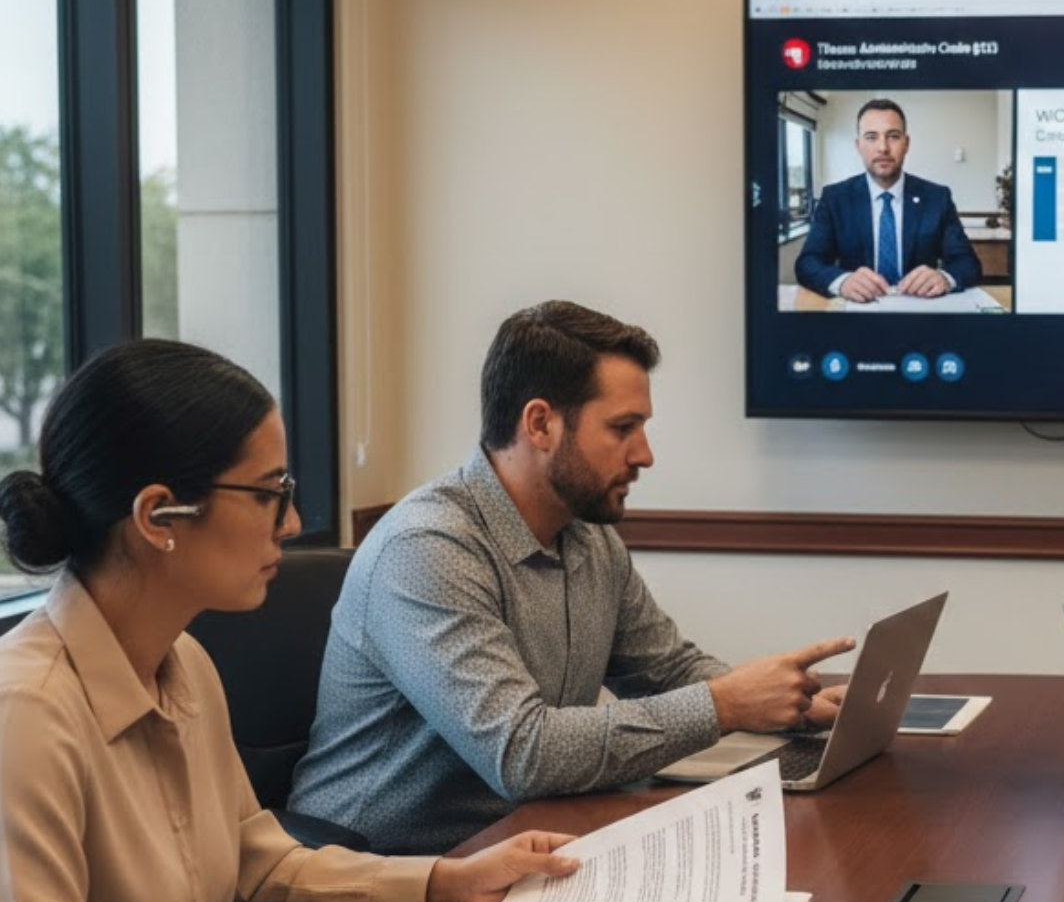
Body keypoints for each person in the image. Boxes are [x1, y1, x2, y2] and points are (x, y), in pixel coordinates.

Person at [0, 340, 581, 902]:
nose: (292, 520)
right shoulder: (23, 712)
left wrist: (442, 879)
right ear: (159, 517)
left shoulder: (184, 663)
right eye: (268, 491)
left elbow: (255, 869)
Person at [289, 302, 854, 853]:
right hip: (381, 878)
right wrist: (726, 705)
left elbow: (667, 668)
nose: (645, 455)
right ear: (540, 424)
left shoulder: (587, 535)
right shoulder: (428, 548)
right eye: (623, 428)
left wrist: (786, 700)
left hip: (519, 848)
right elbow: (523, 754)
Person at [794, 97, 982, 301]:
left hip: (920, 311)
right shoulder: (834, 198)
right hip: (858, 312)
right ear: (858, 146)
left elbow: (968, 263)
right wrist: (842, 281)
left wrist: (945, 277)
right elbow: (808, 263)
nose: (883, 147)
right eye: (871, 137)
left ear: (906, 143)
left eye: (893, 136)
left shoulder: (937, 198)